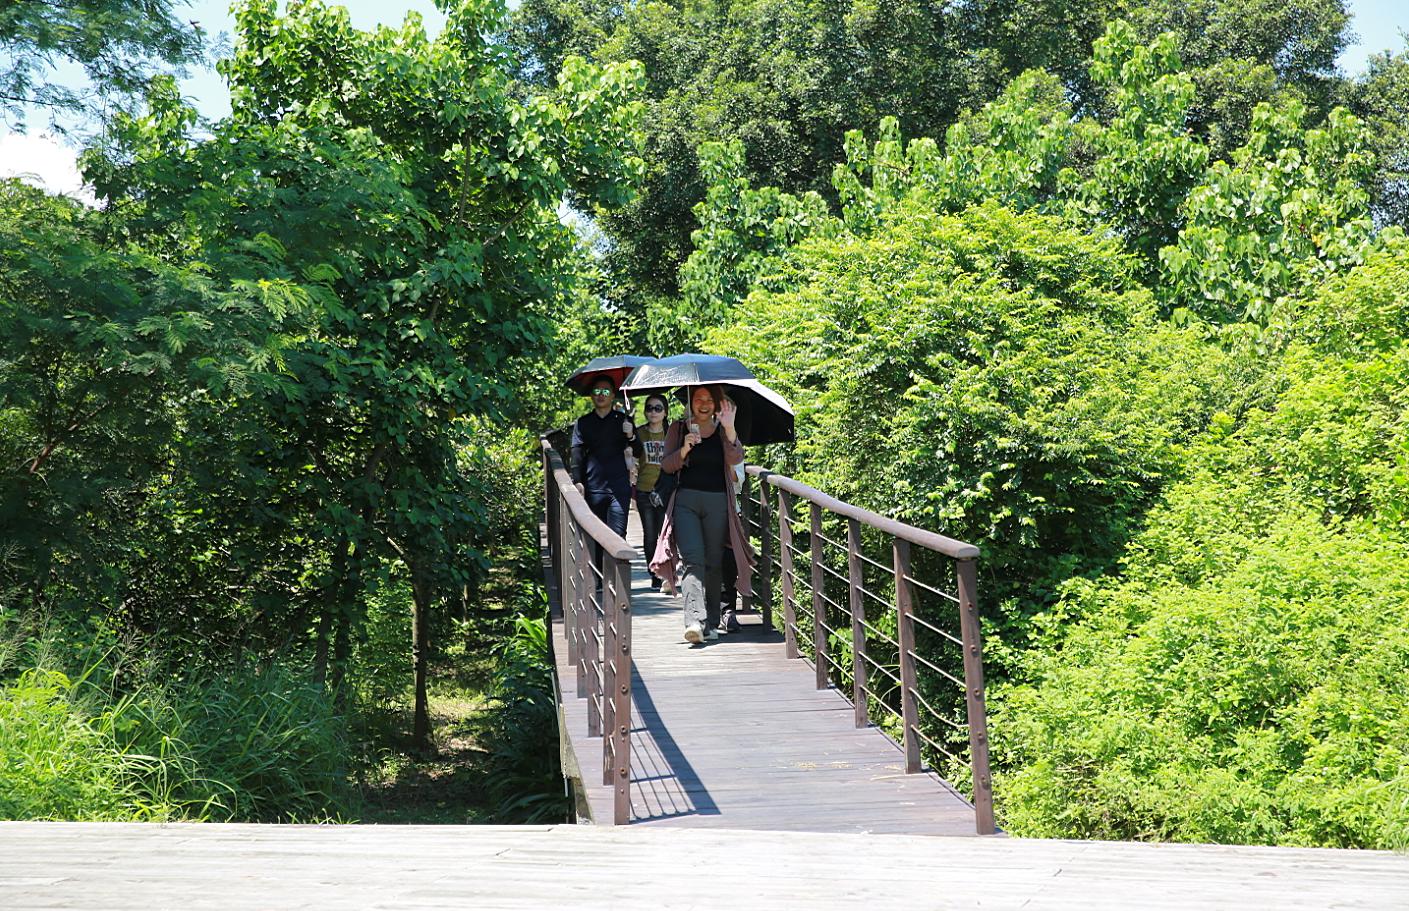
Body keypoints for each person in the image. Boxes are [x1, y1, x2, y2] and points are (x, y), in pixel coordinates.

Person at [654, 384, 752, 644]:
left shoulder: (723, 429)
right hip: (685, 502)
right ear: (691, 402)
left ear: (716, 403)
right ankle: (694, 621)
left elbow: (736, 459)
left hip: (718, 502)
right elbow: (666, 465)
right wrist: (684, 449)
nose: (704, 404)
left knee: (713, 562)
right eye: (699, 399)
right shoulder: (678, 429)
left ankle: (710, 622)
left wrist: (729, 428)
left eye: (709, 399)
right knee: (693, 560)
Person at [570, 374, 643, 542]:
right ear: (591, 395)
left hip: (619, 488)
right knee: (595, 539)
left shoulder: (623, 420)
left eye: (605, 391)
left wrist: (631, 435)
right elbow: (576, 453)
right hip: (593, 488)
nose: (601, 395)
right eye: (596, 391)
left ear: (612, 395)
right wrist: (578, 481)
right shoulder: (583, 423)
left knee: (618, 537)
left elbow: (638, 451)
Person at [634, 393, 673, 591]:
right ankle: (655, 575)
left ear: (665, 412)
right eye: (649, 408)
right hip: (644, 490)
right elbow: (631, 453)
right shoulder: (639, 433)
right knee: (650, 535)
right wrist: (628, 436)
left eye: (658, 408)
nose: (653, 412)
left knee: (665, 534)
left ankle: (666, 572)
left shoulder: (672, 434)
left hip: (666, 491)